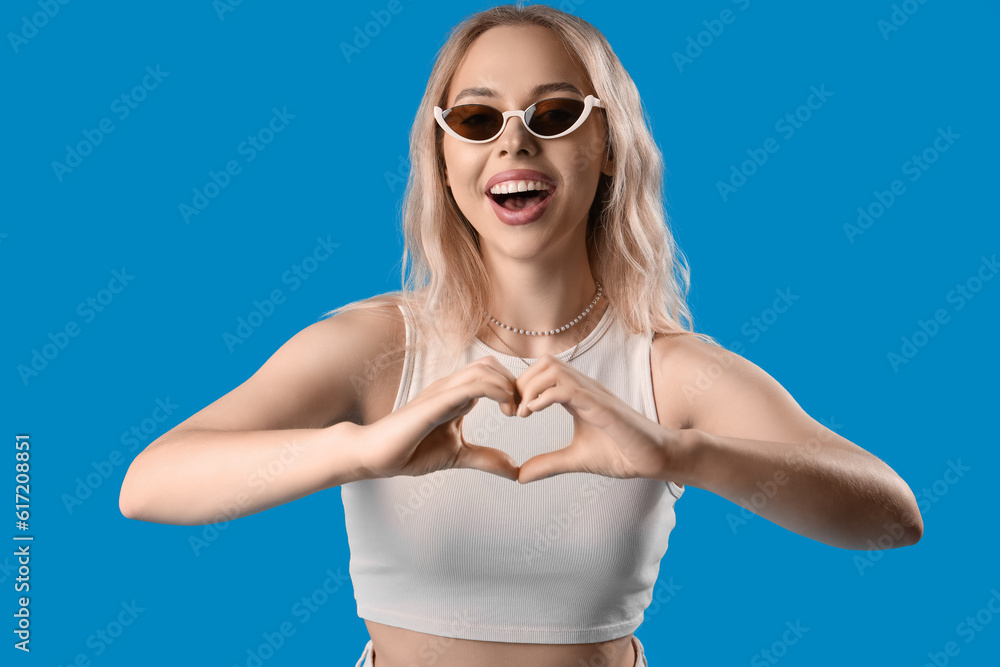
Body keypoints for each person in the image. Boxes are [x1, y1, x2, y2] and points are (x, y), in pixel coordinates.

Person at [119, 4, 925, 666]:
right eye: (476, 117)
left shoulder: (670, 372)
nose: (513, 141)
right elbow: (149, 484)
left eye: (553, 112)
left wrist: (681, 455)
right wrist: (360, 450)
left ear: (606, 145)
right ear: (442, 155)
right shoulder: (374, 346)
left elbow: (892, 516)